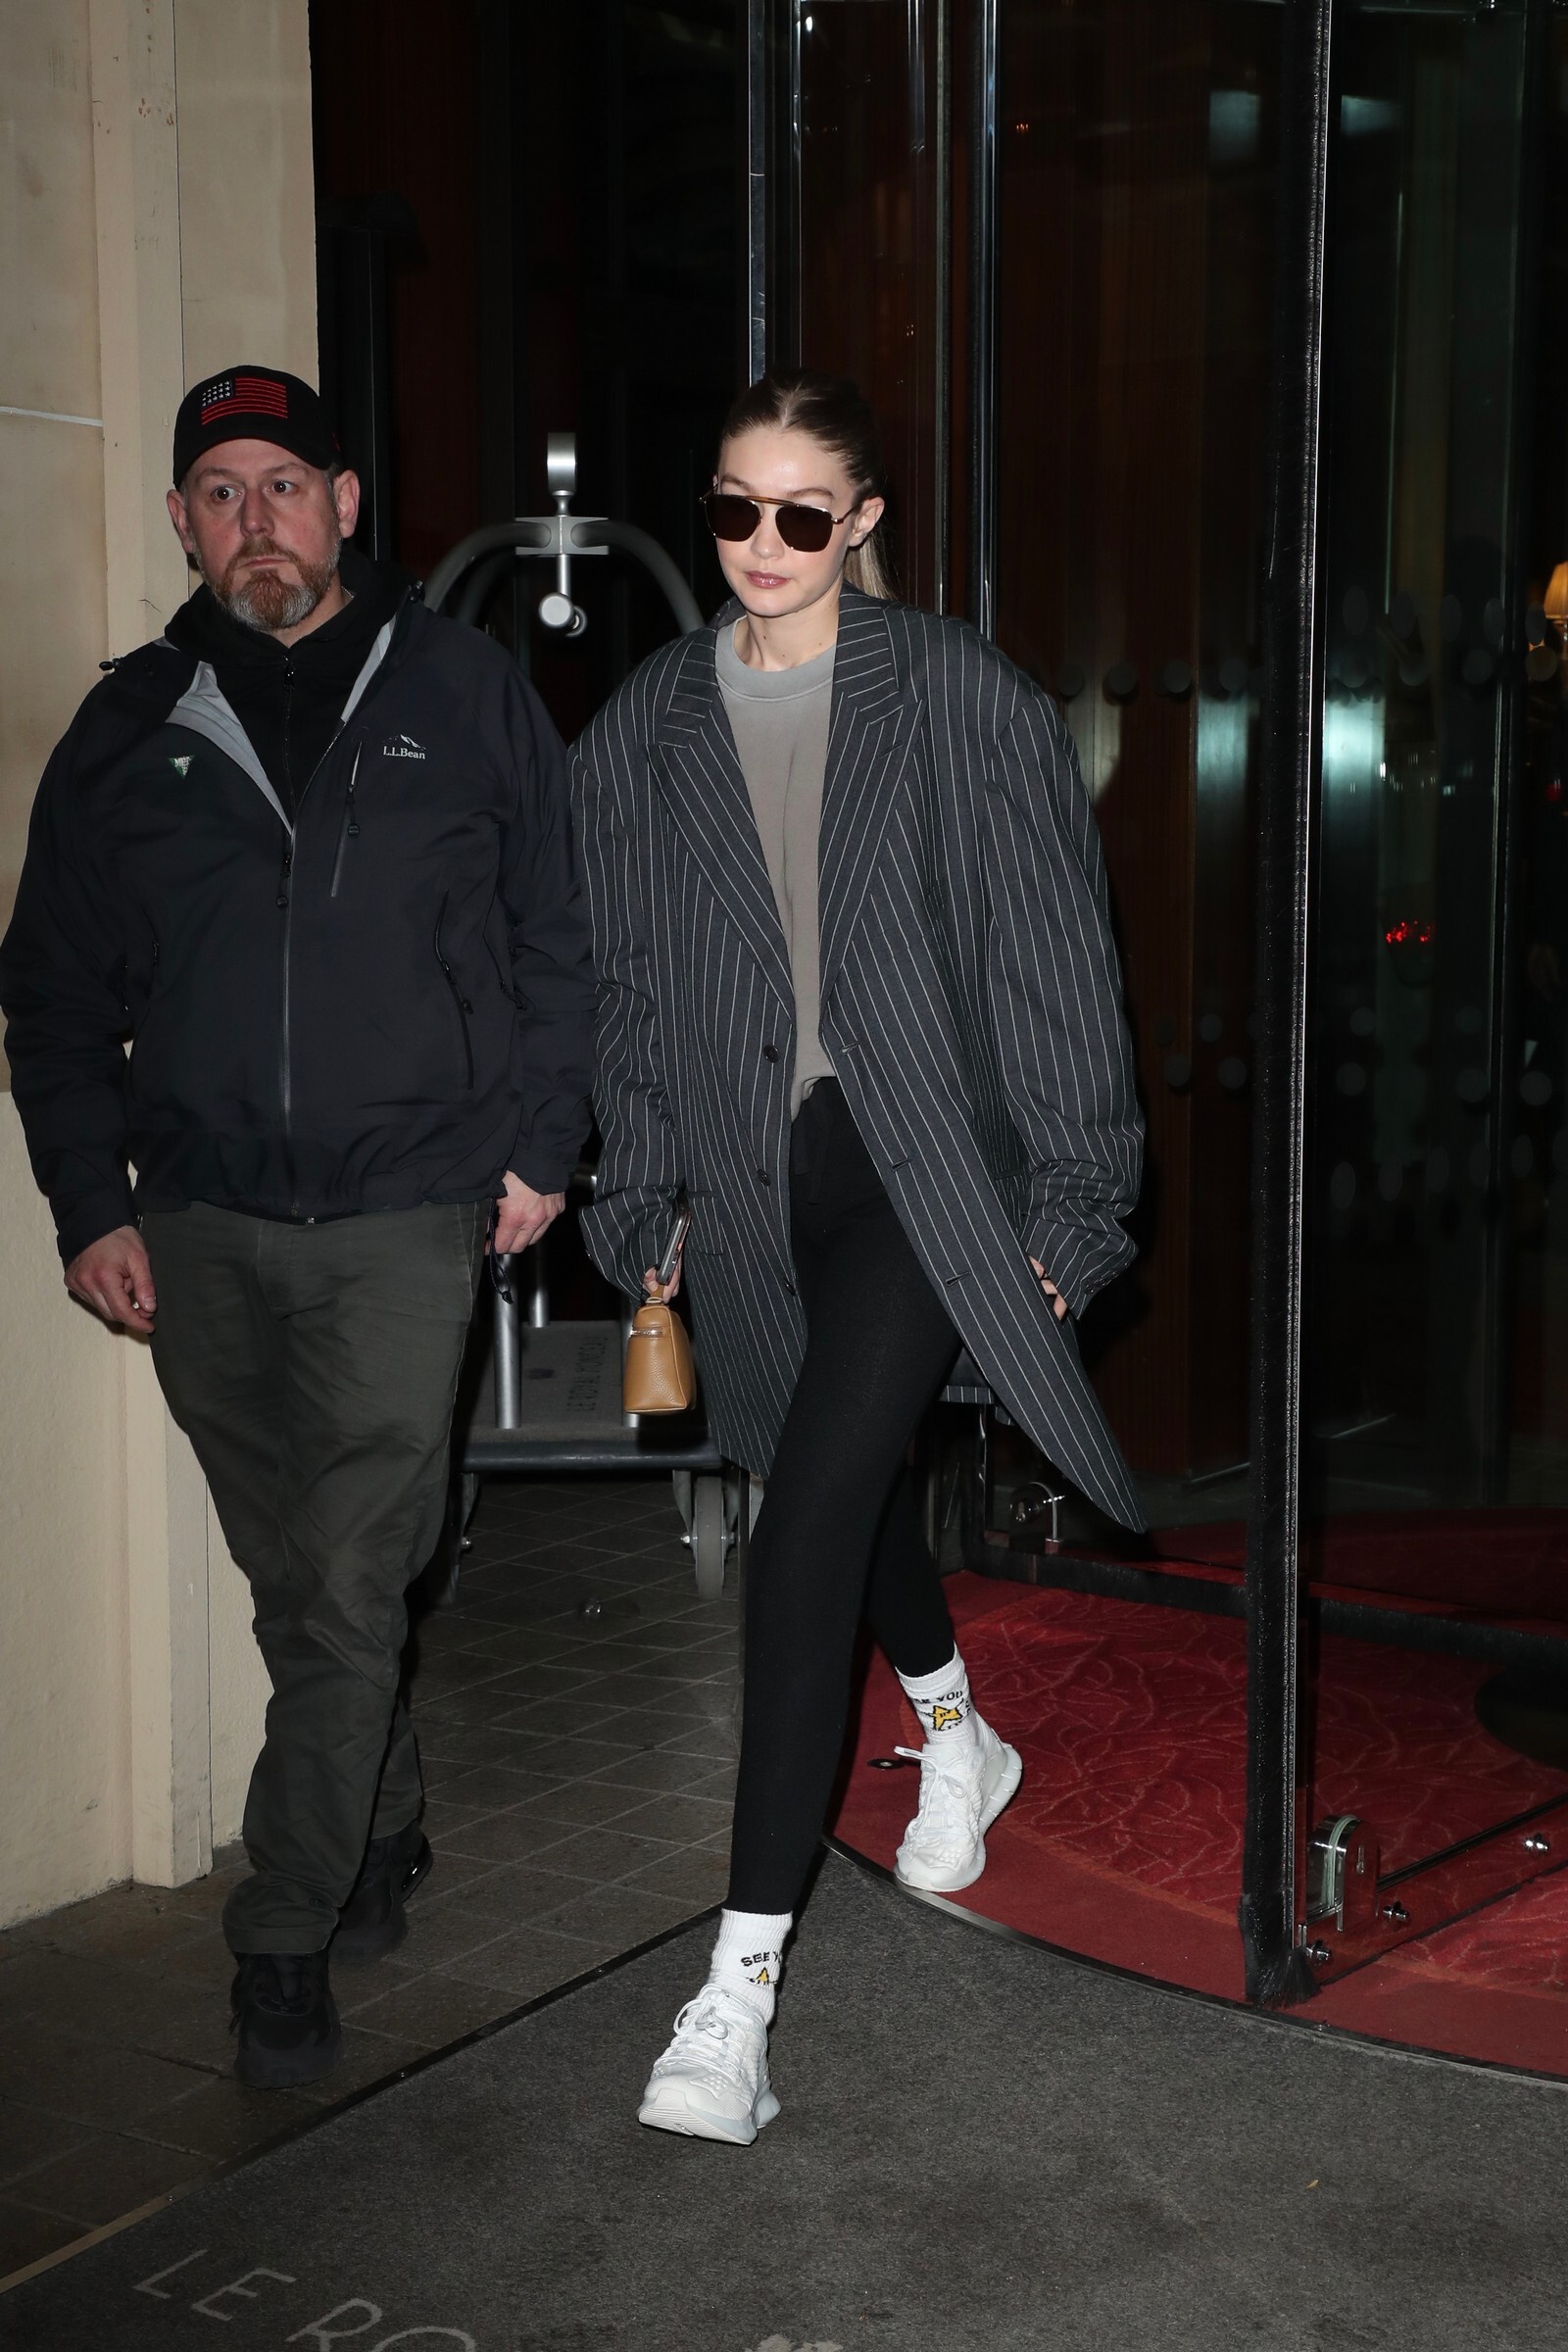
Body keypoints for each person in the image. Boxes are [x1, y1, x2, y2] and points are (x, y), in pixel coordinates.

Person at [0, 366, 594, 2088]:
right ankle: (382, 1817)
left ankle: (281, 1935)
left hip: (411, 1209)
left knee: (343, 1583)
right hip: (198, 1226)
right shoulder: (130, 728)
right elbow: (50, 996)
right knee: (303, 1583)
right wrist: (90, 1206)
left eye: (285, 484)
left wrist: (543, 1146)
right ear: (183, 524)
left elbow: (559, 940)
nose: (255, 518)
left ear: (345, 504)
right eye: (221, 491)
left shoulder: (463, 691)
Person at [571, 368, 1144, 2144]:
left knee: (806, 1523)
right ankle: (960, 1731)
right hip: (753, 1181)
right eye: (733, 508)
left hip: (923, 1170)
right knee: (827, 1466)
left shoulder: (962, 697)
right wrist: (640, 1194)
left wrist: (1072, 1208)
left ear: (864, 520)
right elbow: (625, 993)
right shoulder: (644, 727)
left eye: (802, 513)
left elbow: (1056, 965)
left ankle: (736, 1998)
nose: (763, 543)